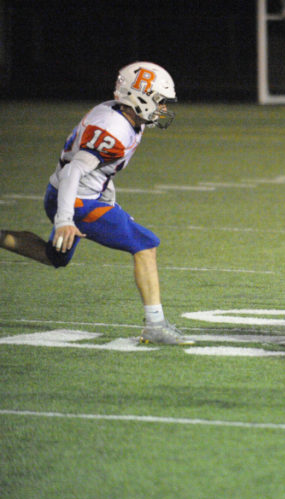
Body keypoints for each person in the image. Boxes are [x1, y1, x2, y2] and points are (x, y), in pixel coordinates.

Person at [0, 62, 190, 346]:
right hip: (75, 199)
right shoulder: (114, 130)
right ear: (139, 98)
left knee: (55, 257)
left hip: (70, 194)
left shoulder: (119, 112)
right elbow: (74, 171)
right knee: (145, 244)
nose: (162, 108)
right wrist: (65, 219)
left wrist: (106, 195)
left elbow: (99, 168)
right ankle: (155, 326)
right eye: (158, 100)